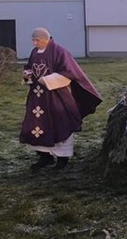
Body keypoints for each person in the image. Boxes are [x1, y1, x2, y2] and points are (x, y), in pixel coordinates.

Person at [19, 27, 102, 170]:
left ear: (46, 39)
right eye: (33, 40)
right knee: (38, 125)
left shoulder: (59, 52)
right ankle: (45, 157)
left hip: (56, 96)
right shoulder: (34, 52)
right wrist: (27, 75)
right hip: (38, 98)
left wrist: (47, 80)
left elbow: (69, 73)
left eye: (37, 40)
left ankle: (62, 158)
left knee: (60, 123)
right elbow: (30, 68)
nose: (34, 43)